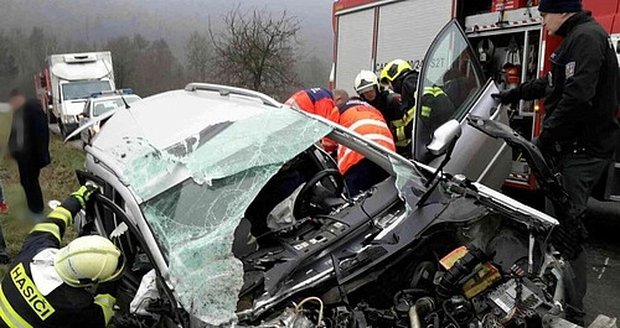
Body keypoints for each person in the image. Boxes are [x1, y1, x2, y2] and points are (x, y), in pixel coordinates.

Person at [493, 0, 620, 323]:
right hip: (576, 149)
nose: (542, 20)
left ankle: (573, 311)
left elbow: (578, 97)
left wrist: (543, 139)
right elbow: (550, 84)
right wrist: (510, 94)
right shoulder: (576, 39)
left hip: (581, 152)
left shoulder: (586, 38)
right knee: (556, 226)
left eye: (544, 14)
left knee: (566, 231)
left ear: (563, 11)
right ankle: (556, 290)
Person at [0, 185, 122, 327]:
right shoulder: (76, 305)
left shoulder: (37, 250)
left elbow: (56, 220)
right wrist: (110, 284)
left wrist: (77, 198)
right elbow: (101, 317)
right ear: (86, 282)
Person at [337, 97, 396, 194]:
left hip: (358, 157)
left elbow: (328, 139)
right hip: (386, 156)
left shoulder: (340, 109)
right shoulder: (373, 109)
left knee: (357, 200)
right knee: (384, 193)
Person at [8, 89, 50, 216]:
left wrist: (41, 155)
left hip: (32, 155)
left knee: (31, 182)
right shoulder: (19, 111)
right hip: (23, 155)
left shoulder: (32, 109)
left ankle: (37, 210)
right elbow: (15, 131)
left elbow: (41, 133)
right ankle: (33, 207)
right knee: (25, 181)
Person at [354, 70, 409, 156]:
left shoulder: (392, 102)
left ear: (377, 87)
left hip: (400, 149)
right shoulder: (362, 107)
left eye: (370, 89)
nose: (368, 94)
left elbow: (405, 129)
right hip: (376, 148)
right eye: (364, 92)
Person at [285, 88, 341, 153]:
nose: (339, 110)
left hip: (287, 121)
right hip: (293, 126)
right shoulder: (326, 101)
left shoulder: (319, 94)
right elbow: (325, 128)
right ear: (339, 99)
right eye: (341, 105)